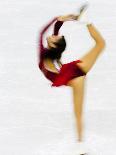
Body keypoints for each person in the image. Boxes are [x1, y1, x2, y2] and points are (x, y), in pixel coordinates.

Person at [37, 4, 106, 154]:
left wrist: (59, 19)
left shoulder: (44, 53)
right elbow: (52, 30)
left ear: (53, 44)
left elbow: (41, 33)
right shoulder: (48, 52)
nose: (54, 34)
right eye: (56, 35)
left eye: (55, 37)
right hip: (73, 73)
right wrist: (62, 19)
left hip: (72, 76)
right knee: (101, 44)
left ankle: (86, 21)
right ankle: (80, 146)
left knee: (101, 44)